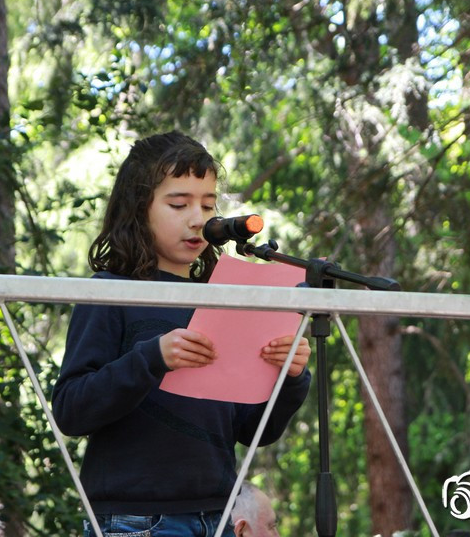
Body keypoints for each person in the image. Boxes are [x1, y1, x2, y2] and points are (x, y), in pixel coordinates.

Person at [52, 131, 312, 537]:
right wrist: (152, 358)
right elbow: (71, 410)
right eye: (179, 204)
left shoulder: (223, 298)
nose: (197, 219)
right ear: (138, 208)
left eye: (208, 205)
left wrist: (290, 377)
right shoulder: (109, 291)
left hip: (219, 514)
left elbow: (253, 430)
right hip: (134, 520)